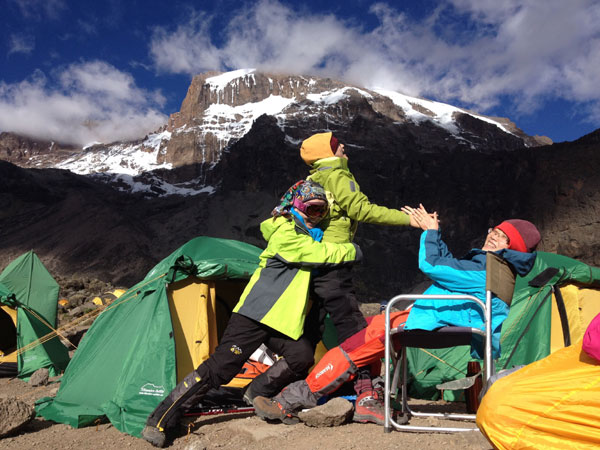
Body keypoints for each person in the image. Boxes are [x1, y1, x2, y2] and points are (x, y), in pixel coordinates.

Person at [251, 205, 540, 424]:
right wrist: (434, 232)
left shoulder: (487, 270)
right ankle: (368, 398)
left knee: (359, 340)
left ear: (512, 248)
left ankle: (289, 401)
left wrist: (428, 233)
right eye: (495, 231)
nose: (493, 236)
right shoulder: (495, 269)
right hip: (443, 321)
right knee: (362, 331)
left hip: (433, 325)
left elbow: (432, 266)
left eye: (502, 237)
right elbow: (450, 268)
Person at [141, 180, 362, 447]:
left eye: (322, 211)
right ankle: (160, 419)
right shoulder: (284, 232)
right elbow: (313, 254)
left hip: (281, 320)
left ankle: (256, 391)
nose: (318, 216)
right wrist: (352, 249)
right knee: (220, 369)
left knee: (301, 355)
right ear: (296, 206)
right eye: (312, 209)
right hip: (255, 314)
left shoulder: (305, 234)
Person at [245, 132, 422, 424]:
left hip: (313, 264)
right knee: (355, 332)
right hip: (334, 264)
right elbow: (360, 209)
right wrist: (408, 220)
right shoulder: (339, 175)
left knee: (311, 333)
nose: (344, 147)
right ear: (327, 151)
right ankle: (367, 397)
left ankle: (262, 390)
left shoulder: (314, 179)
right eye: (338, 144)